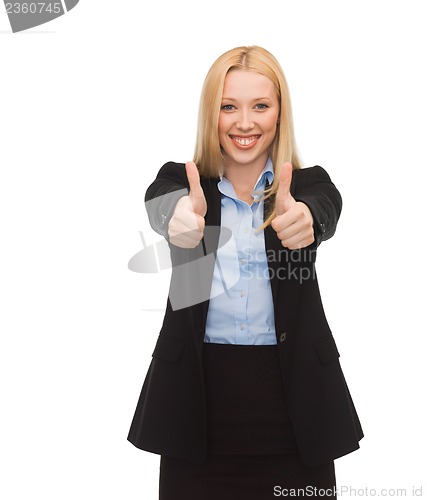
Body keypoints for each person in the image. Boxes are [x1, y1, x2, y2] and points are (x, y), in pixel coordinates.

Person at [127, 45, 364, 500]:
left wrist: (308, 220)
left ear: (279, 112)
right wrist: (175, 216)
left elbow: (325, 207)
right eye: (228, 106)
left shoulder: (307, 185)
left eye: (261, 106)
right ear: (210, 113)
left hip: (294, 411)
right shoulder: (181, 181)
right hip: (195, 411)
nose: (244, 122)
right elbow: (161, 202)